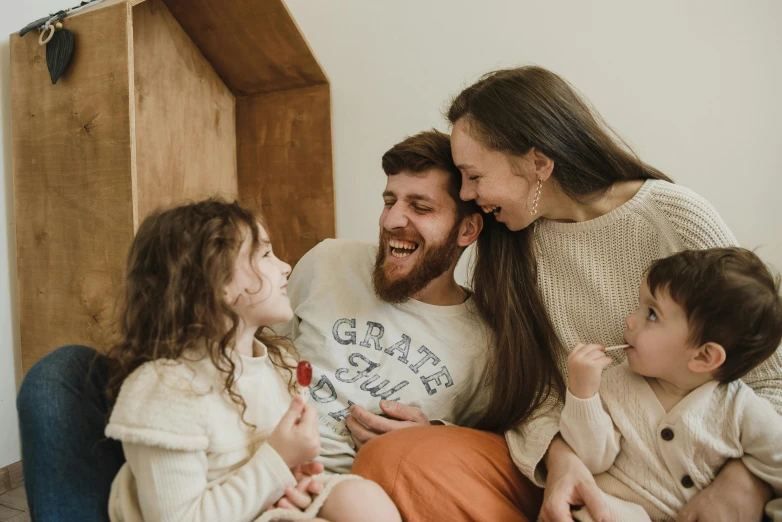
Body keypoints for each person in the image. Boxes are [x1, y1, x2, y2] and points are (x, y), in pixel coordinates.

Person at [18, 131, 543, 521]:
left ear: (467, 228)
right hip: (221, 437)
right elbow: (245, 333)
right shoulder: (331, 260)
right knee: (60, 375)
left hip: (316, 489)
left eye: (419, 206)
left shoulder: (486, 342)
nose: (390, 221)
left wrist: (431, 438)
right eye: (389, 201)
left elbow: (501, 449)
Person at [354, 66, 782, 522]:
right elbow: (530, 387)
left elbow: (769, 377)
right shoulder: (507, 244)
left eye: (473, 175)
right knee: (397, 459)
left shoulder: (673, 215)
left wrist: (744, 484)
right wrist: (561, 459)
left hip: (689, 475)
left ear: (539, 163)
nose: (466, 193)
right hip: (575, 456)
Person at [101, 199, 400, 522]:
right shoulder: (164, 389)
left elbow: (270, 474)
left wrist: (295, 476)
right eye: (266, 255)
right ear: (219, 284)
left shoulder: (276, 366)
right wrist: (277, 461)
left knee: (360, 498)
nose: (285, 267)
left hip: (264, 507)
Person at [560, 247, 782, 521]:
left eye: (651, 314)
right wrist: (583, 395)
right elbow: (592, 459)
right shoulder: (614, 383)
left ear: (703, 356)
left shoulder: (741, 409)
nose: (630, 319)